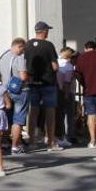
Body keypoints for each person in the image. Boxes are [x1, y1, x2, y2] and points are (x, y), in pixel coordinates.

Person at [25, 21, 62, 151]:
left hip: (32, 82)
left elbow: (25, 63)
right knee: (50, 112)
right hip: (48, 82)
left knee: (33, 112)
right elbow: (55, 66)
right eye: (47, 30)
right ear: (44, 31)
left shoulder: (28, 44)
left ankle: (31, 141)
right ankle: (51, 141)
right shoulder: (48, 45)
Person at [0, 38, 30, 154]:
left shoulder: (3, 56)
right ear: (19, 46)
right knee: (18, 119)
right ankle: (15, 146)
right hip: (20, 91)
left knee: (7, 118)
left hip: (6, 91)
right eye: (23, 48)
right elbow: (23, 77)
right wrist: (29, 77)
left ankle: (5, 142)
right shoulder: (20, 58)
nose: (24, 51)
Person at [55, 47, 76, 147]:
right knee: (69, 115)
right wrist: (67, 94)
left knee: (58, 115)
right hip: (65, 92)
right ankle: (67, 136)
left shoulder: (56, 63)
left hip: (54, 91)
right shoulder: (69, 66)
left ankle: (57, 135)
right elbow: (67, 82)